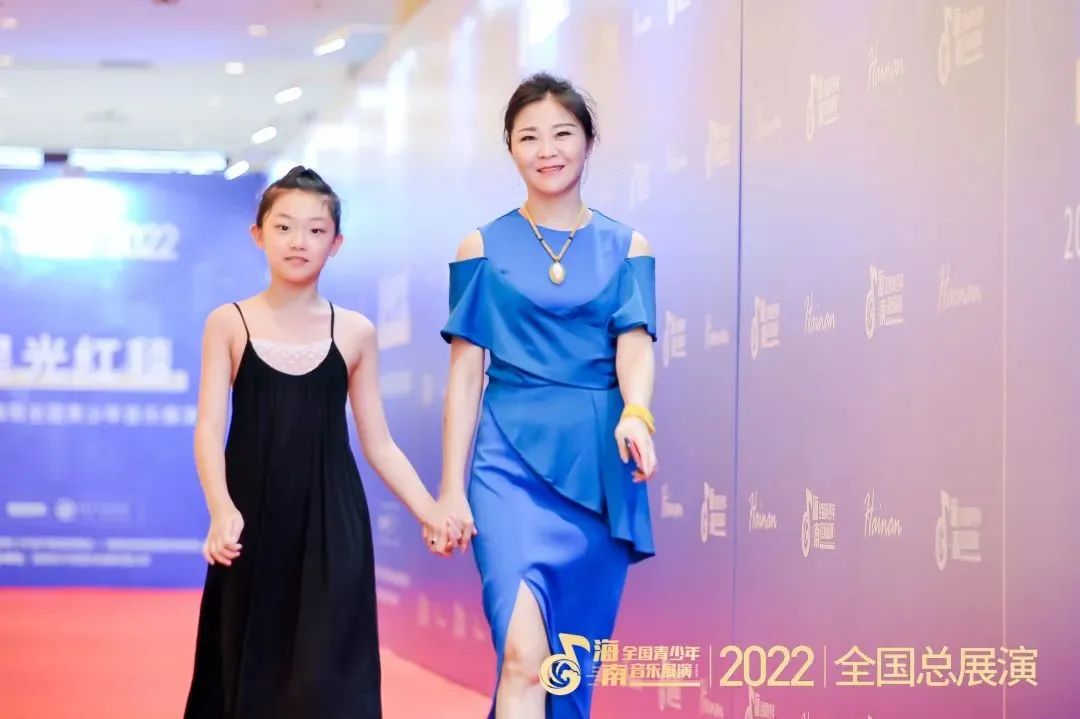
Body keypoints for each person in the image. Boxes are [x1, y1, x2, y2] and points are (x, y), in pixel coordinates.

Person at [184, 166, 460, 719]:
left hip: (333, 522)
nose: (298, 241)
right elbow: (209, 429)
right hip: (251, 522)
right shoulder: (228, 323)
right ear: (258, 234)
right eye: (284, 227)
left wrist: (430, 509)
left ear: (336, 244)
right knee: (249, 672)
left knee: (329, 677)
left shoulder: (355, 331)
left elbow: (379, 443)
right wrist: (221, 509)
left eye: (315, 230)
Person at [437, 72, 660, 718]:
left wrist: (637, 413)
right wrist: (450, 488)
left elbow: (635, 344)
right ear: (510, 147)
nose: (546, 150)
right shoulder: (481, 247)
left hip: (597, 463)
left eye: (562, 133)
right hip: (506, 464)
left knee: (567, 672)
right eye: (528, 136)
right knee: (523, 656)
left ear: (589, 142)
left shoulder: (627, 246)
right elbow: (465, 375)